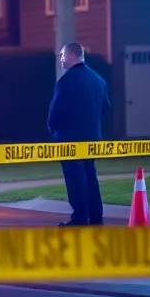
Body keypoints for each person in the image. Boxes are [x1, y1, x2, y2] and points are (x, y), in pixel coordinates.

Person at [47, 42, 111, 227]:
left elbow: (57, 110)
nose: (60, 59)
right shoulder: (98, 80)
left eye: (62, 55)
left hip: (70, 138)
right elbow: (106, 107)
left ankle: (80, 216)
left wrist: (52, 127)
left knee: (74, 177)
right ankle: (96, 215)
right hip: (92, 137)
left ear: (72, 56)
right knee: (90, 174)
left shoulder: (66, 81)